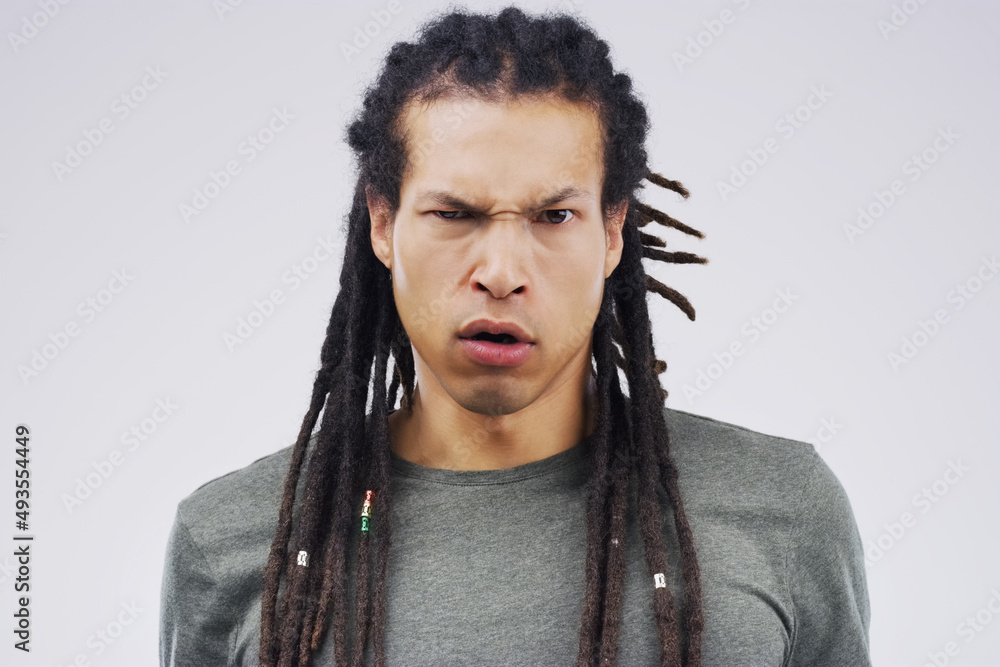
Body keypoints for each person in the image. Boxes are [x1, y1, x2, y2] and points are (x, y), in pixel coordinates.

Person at [159, 6, 871, 666]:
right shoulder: (230, 537)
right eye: (453, 214)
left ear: (613, 230)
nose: (501, 273)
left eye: (553, 217)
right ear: (383, 222)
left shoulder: (783, 509)